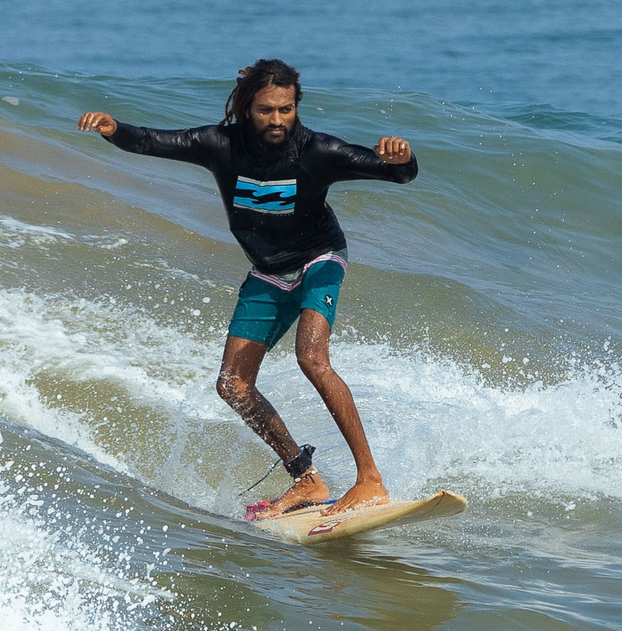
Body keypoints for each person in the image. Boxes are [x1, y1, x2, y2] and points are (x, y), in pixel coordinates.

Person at [78, 58, 418, 527]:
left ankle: (369, 480)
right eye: (265, 110)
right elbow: (156, 141)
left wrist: (402, 158)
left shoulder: (317, 151)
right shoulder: (219, 145)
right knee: (232, 385)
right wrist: (113, 130)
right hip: (266, 271)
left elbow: (395, 173)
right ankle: (306, 477)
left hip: (319, 259)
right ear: (245, 107)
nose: (277, 120)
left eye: (285, 109)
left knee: (311, 358)